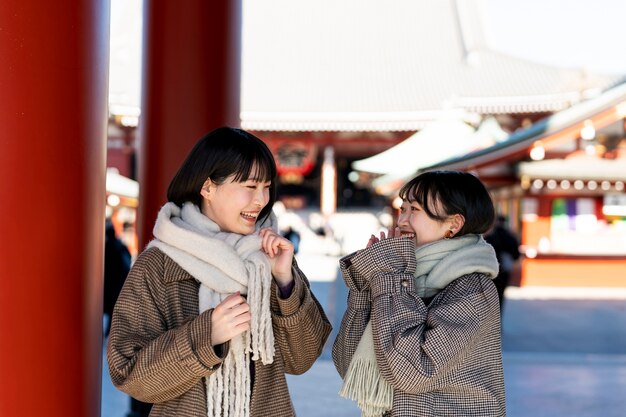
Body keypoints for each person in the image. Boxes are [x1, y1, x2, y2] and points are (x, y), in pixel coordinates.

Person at [107, 127, 332, 417]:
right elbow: (128, 372)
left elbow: (302, 359)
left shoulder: (268, 255)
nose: (262, 200)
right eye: (250, 187)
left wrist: (285, 282)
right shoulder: (158, 264)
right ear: (208, 187)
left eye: (266, 187)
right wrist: (207, 334)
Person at [332, 170, 505, 417]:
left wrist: (388, 276)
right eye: (402, 209)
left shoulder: (472, 290)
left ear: (453, 224)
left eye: (415, 210)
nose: (402, 220)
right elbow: (347, 364)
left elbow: (412, 371)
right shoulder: (401, 277)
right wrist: (369, 283)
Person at [485, 215, 520, 311]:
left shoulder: (490, 237)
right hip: (505, 270)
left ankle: (491, 321)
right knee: (500, 297)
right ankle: (498, 320)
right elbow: (516, 255)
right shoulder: (510, 237)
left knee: (490, 297)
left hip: (491, 270)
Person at [103, 219, 131, 338]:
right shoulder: (121, 246)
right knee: (114, 310)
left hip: (108, 283)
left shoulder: (106, 248)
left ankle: (106, 332)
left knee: (106, 309)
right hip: (119, 283)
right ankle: (110, 332)